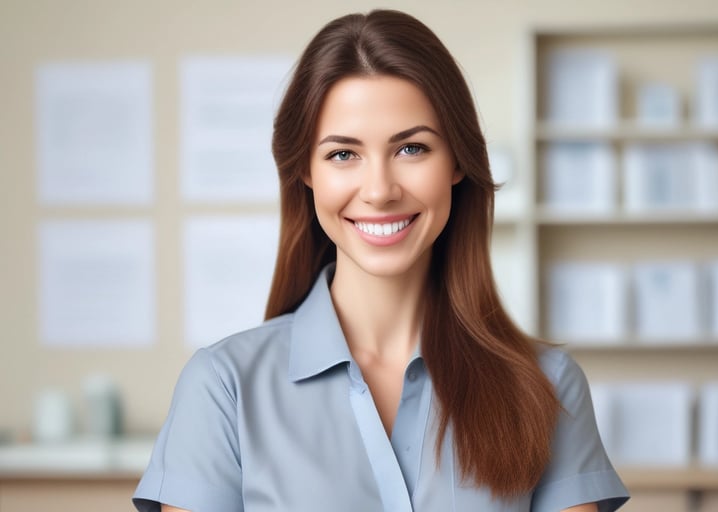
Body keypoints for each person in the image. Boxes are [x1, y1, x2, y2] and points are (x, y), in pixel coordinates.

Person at [133, 9, 629, 512]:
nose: (379, 191)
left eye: (412, 148)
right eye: (343, 155)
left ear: (457, 161)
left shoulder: (547, 386)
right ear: (305, 171)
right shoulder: (224, 389)